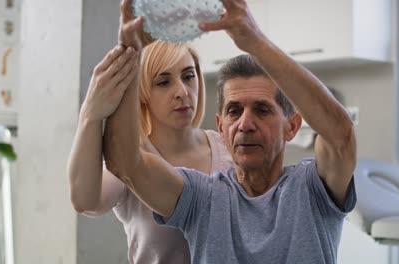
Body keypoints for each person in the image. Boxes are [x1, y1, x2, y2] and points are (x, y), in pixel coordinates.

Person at [104, 0, 357, 263]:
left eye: (262, 110)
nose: (245, 124)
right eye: (234, 111)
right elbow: (125, 162)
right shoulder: (201, 197)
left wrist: (255, 41)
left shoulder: (312, 188)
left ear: (291, 126)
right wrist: (129, 57)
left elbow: (341, 136)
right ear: (221, 128)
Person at [68, 27, 232, 264]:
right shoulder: (131, 161)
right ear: (142, 92)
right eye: (163, 82)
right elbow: (85, 201)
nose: (182, 92)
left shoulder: (227, 147)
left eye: (188, 76)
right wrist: (90, 115)